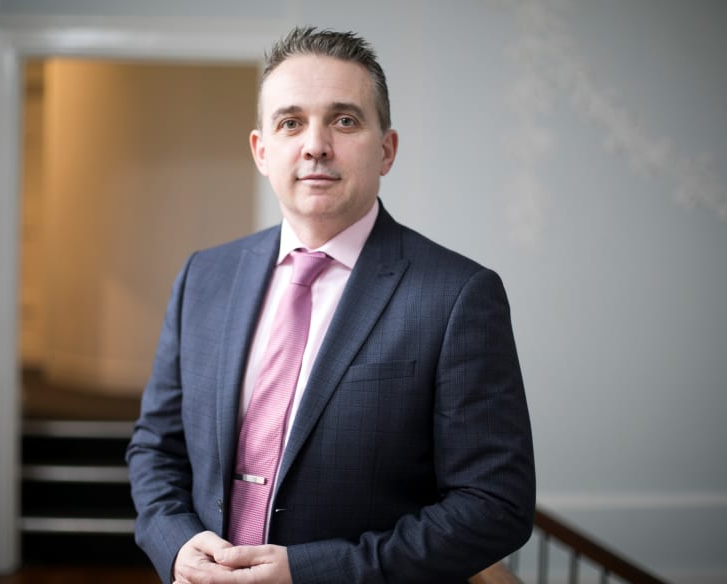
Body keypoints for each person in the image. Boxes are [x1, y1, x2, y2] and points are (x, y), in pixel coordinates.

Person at [126, 26, 535, 584]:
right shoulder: (205, 276)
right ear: (261, 150)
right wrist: (176, 544)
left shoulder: (458, 296)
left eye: (344, 120)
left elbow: (495, 507)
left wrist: (311, 572)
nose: (315, 144)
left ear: (386, 149)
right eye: (291, 122)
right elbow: (155, 446)